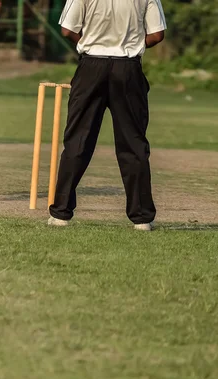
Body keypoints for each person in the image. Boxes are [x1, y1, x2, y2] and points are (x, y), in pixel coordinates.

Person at [48, 0, 167, 231]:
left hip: (91, 66)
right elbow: (157, 35)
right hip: (128, 69)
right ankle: (141, 218)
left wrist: (91, 43)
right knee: (133, 143)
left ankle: (61, 213)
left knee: (77, 141)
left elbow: (67, 29)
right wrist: (131, 44)